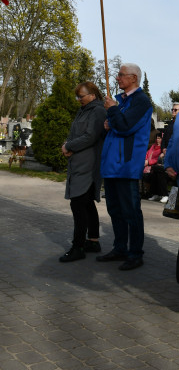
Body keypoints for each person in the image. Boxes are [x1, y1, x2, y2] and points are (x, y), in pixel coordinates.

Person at [97, 63, 153, 270]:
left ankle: (135, 253)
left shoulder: (141, 101)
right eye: (118, 74)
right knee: (115, 210)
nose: (117, 78)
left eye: (121, 75)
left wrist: (112, 112)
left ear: (134, 78)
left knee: (131, 211)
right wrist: (109, 121)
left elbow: (124, 126)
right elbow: (112, 126)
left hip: (126, 165)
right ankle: (120, 248)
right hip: (112, 164)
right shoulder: (120, 100)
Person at [59, 82, 106, 262]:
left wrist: (69, 146)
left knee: (78, 204)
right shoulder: (84, 110)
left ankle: (77, 247)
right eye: (77, 96)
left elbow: (90, 136)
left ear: (92, 95)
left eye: (81, 96)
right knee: (86, 204)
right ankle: (93, 241)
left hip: (88, 164)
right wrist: (66, 145)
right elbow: (75, 133)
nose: (78, 99)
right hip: (79, 162)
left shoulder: (98, 111)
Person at [142, 131, 168, 201]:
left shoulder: (163, 148)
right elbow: (147, 153)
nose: (157, 140)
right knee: (154, 171)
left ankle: (164, 194)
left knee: (155, 170)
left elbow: (157, 159)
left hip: (158, 166)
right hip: (150, 165)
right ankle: (155, 194)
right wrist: (146, 160)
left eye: (159, 138)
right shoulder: (153, 146)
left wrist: (148, 162)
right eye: (157, 138)